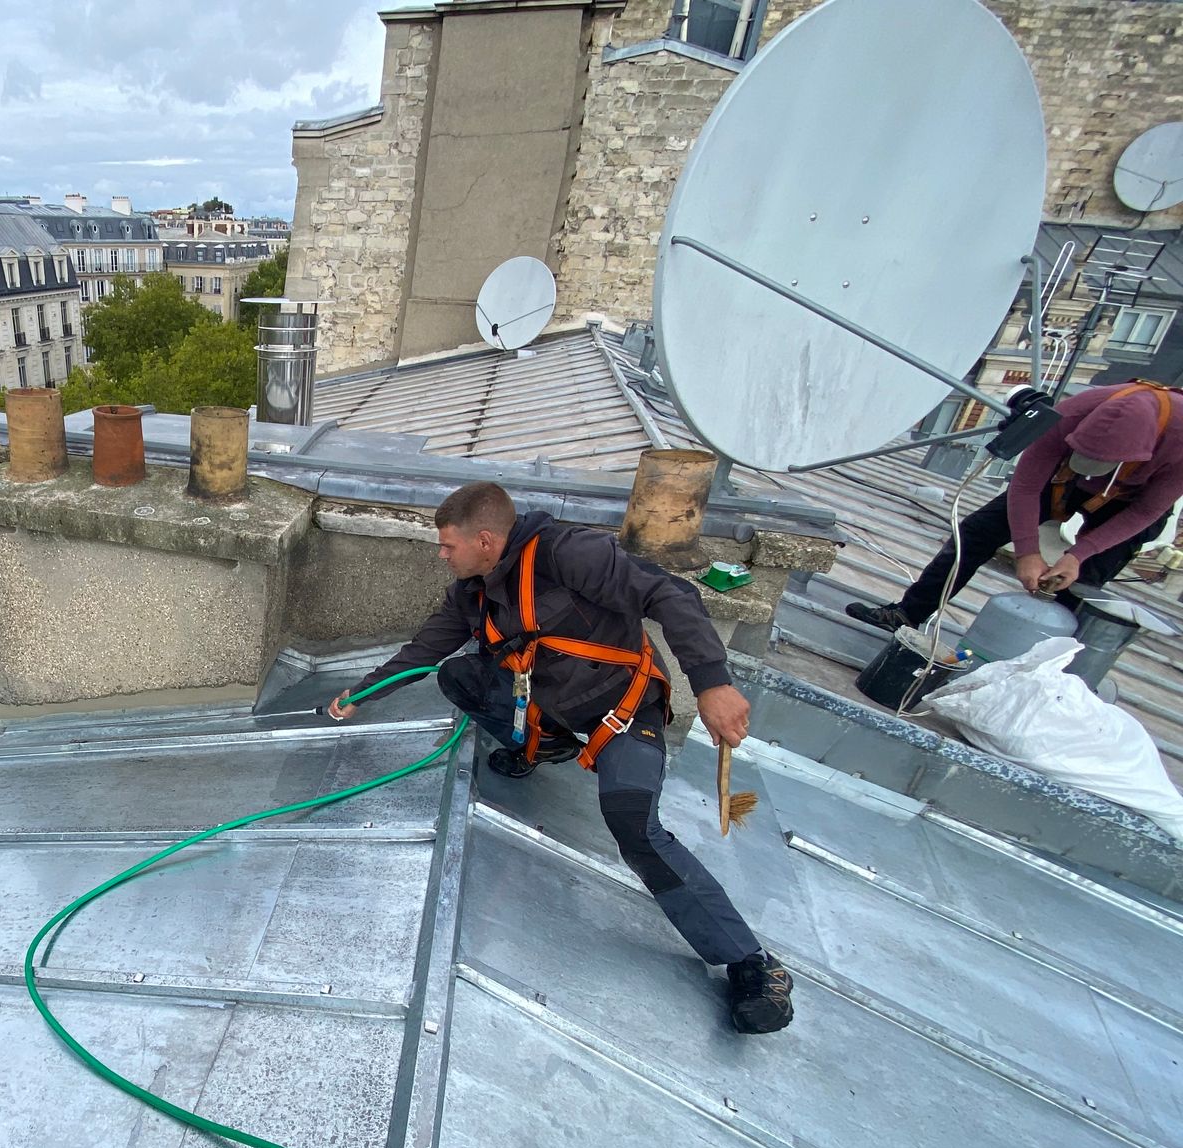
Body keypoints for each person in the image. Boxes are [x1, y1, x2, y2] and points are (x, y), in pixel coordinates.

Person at [328, 481, 793, 1035]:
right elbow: (424, 652)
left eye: (448, 546)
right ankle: (547, 746)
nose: (442, 555)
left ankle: (751, 963)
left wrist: (713, 683)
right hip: (548, 710)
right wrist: (357, 696)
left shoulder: (569, 554)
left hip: (622, 713)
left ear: (484, 539)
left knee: (633, 825)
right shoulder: (472, 593)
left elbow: (671, 596)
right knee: (459, 676)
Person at [848, 380, 1183, 633]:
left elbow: (1145, 512)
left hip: (1129, 500)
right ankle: (908, 615)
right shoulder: (1069, 415)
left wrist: (1078, 554)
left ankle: (1034, 664)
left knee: (1082, 582)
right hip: (1060, 478)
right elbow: (1025, 487)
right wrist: (1027, 552)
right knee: (975, 534)